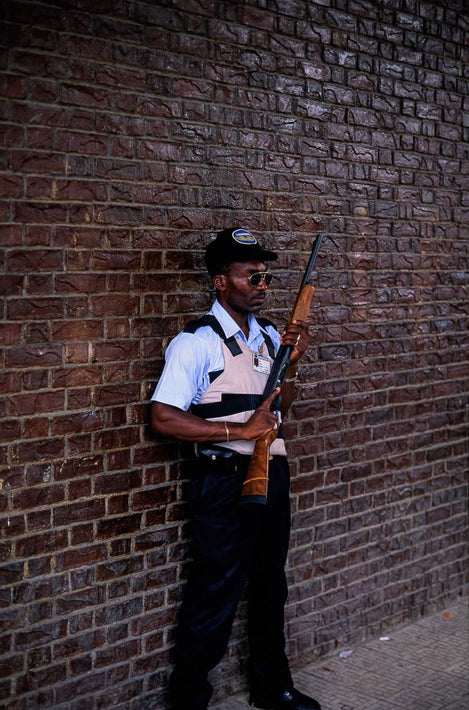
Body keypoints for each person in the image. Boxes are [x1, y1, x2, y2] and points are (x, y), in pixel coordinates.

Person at [151, 228, 321, 710]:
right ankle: (188, 699)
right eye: (251, 275)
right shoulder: (196, 341)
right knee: (216, 589)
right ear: (221, 281)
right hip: (223, 481)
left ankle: (272, 687)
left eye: (265, 276)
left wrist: (292, 361)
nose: (262, 284)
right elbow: (164, 417)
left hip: (273, 477)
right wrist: (238, 433)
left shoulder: (270, 336)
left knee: (272, 585)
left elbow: (279, 404)